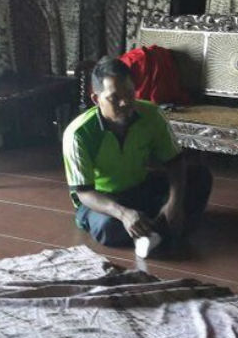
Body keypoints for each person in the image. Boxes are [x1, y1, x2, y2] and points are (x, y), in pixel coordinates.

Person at [63, 56, 213, 255]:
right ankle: (160, 228)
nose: (125, 103)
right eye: (114, 98)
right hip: (104, 200)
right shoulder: (79, 134)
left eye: (129, 93)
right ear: (96, 99)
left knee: (200, 176)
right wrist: (123, 214)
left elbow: (175, 161)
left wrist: (174, 203)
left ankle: (152, 229)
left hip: (140, 187)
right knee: (108, 228)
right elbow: (84, 193)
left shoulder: (151, 115)